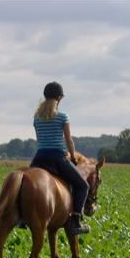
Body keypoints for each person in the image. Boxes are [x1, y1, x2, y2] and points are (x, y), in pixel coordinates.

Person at [30, 81, 90, 235]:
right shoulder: (63, 116)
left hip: (39, 158)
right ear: (59, 98)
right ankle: (76, 221)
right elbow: (69, 140)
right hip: (57, 158)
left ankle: (22, 217)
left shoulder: (37, 117)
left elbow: (39, 140)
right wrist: (73, 158)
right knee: (83, 186)